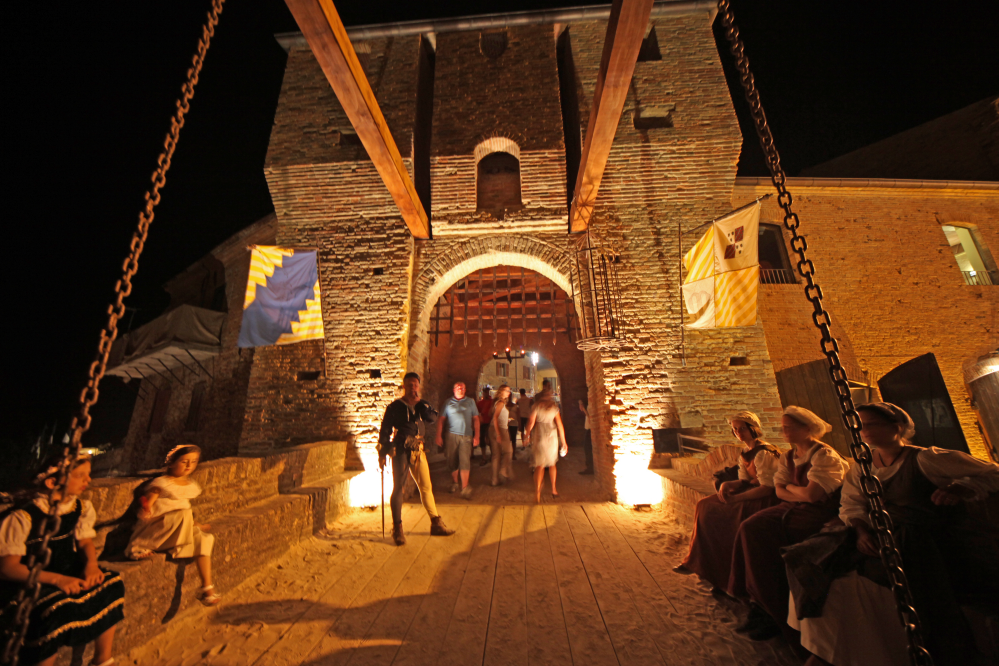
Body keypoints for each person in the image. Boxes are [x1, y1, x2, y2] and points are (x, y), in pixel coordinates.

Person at [785, 403, 999, 666]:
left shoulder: (927, 459)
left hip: (917, 541)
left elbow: (993, 472)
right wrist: (861, 530)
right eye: (859, 425)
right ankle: (832, 652)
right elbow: (851, 504)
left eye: (871, 424)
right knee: (809, 562)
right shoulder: (862, 466)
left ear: (897, 428)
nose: (863, 431)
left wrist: (960, 487)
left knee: (859, 587)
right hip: (876, 535)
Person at [727, 405, 850, 642]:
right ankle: (758, 602)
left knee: (760, 535)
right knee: (749, 527)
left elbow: (813, 497)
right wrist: (797, 491)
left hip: (817, 514)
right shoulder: (788, 456)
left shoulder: (825, 456)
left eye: (789, 428)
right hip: (791, 508)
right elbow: (781, 490)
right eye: (783, 428)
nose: (784, 432)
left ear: (807, 428)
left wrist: (792, 490)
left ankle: (773, 610)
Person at [0, 452, 125, 666]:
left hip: (67, 566)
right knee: (52, 612)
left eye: (89, 474)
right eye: (80, 475)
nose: (88, 480)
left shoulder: (79, 507)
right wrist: (58, 580)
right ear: (51, 482)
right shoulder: (24, 517)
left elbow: (84, 542)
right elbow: (8, 568)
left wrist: (92, 565)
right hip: (33, 578)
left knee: (111, 584)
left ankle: (102, 659)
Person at [674, 411, 780, 592]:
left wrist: (737, 498)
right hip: (751, 491)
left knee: (722, 515)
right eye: (735, 429)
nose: (739, 432)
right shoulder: (746, 451)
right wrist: (726, 485)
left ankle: (723, 573)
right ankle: (698, 561)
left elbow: (767, 487)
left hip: (764, 498)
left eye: (743, 428)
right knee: (704, 505)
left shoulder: (764, 453)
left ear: (753, 429)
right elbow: (744, 479)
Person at [126, 445, 220, 606]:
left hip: (176, 529)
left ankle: (206, 588)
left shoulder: (189, 485)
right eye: (184, 462)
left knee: (204, 538)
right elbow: (149, 499)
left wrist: (196, 525)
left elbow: (184, 510)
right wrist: (146, 506)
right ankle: (138, 546)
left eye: (194, 462)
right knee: (184, 516)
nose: (189, 466)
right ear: (171, 463)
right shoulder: (162, 483)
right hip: (157, 528)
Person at [378, 372, 456, 546]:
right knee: (399, 487)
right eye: (409, 385)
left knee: (426, 486)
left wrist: (421, 405)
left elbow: (431, 418)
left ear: (418, 386)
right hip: (401, 449)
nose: (413, 388)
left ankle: (435, 522)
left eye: (415, 384)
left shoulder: (423, 405)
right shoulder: (394, 407)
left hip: (418, 450)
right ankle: (397, 529)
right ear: (404, 386)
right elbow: (385, 430)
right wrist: (383, 451)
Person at [435, 381, 479, 500]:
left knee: (465, 460)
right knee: (452, 460)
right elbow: (441, 419)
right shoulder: (448, 403)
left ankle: (465, 487)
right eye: (458, 387)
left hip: (466, 436)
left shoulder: (470, 402)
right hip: (451, 435)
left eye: (463, 387)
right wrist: (438, 435)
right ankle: (455, 482)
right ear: (453, 390)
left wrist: (477, 436)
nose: (461, 389)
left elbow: (476, 419)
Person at [525, 386, 568, 503]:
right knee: (552, 464)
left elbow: (531, 423)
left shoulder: (536, 407)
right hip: (551, 437)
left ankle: (537, 492)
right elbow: (559, 425)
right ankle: (554, 489)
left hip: (540, 436)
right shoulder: (554, 408)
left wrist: (527, 435)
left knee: (540, 465)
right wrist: (563, 442)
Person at [490, 385, 515, 486]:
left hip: (494, 428)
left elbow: (496, 417)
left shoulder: (498, 403)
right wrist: (499, 433)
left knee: (496, 455)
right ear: (501, 391)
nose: (509, 392)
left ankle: (494, 480)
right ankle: (504, 470)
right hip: (500, 429)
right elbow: (495, 418)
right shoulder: (500, 403)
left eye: (509, 390)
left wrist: (507, 419)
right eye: (507, 390)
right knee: (509, 451)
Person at [476, 388, 495, 466]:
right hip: (483, 423)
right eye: (485, 392)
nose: (487, 394)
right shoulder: (480, 403)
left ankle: (492, 456)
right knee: (483, 440)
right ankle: (484, 457)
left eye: (488, 392)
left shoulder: (493, 402)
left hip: (491, 423)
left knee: (491, 440)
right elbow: (477, 413)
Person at [578, 397, 593, 474]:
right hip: (588, 428)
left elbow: (590, 417)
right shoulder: (588, 406)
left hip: (590, 429)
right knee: (587, 448)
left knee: (588, 448)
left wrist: (583, 408)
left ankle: (590, 468)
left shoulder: (590, 406)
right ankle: (589, 467)